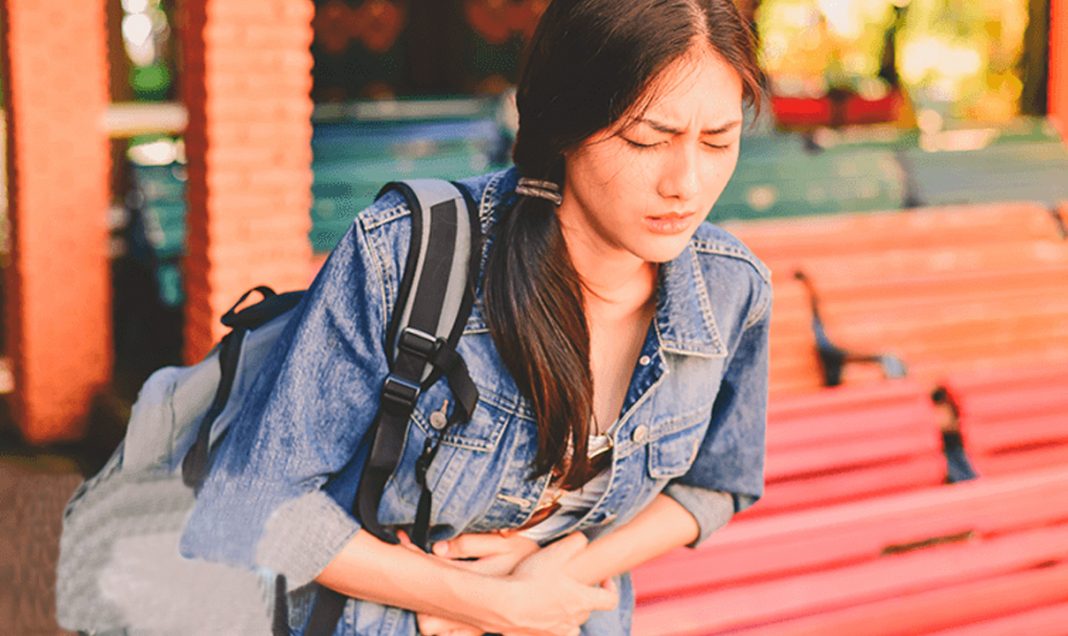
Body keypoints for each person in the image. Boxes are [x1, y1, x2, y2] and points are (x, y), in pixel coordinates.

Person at [180, 0, 770, 634]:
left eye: (718, 141)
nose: (686, 183)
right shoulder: (405, 257)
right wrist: (485, 603)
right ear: (564, 123)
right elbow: (252, 505)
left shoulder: (731, 287)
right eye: (647, 139)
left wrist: (564, 567)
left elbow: (718, 482)